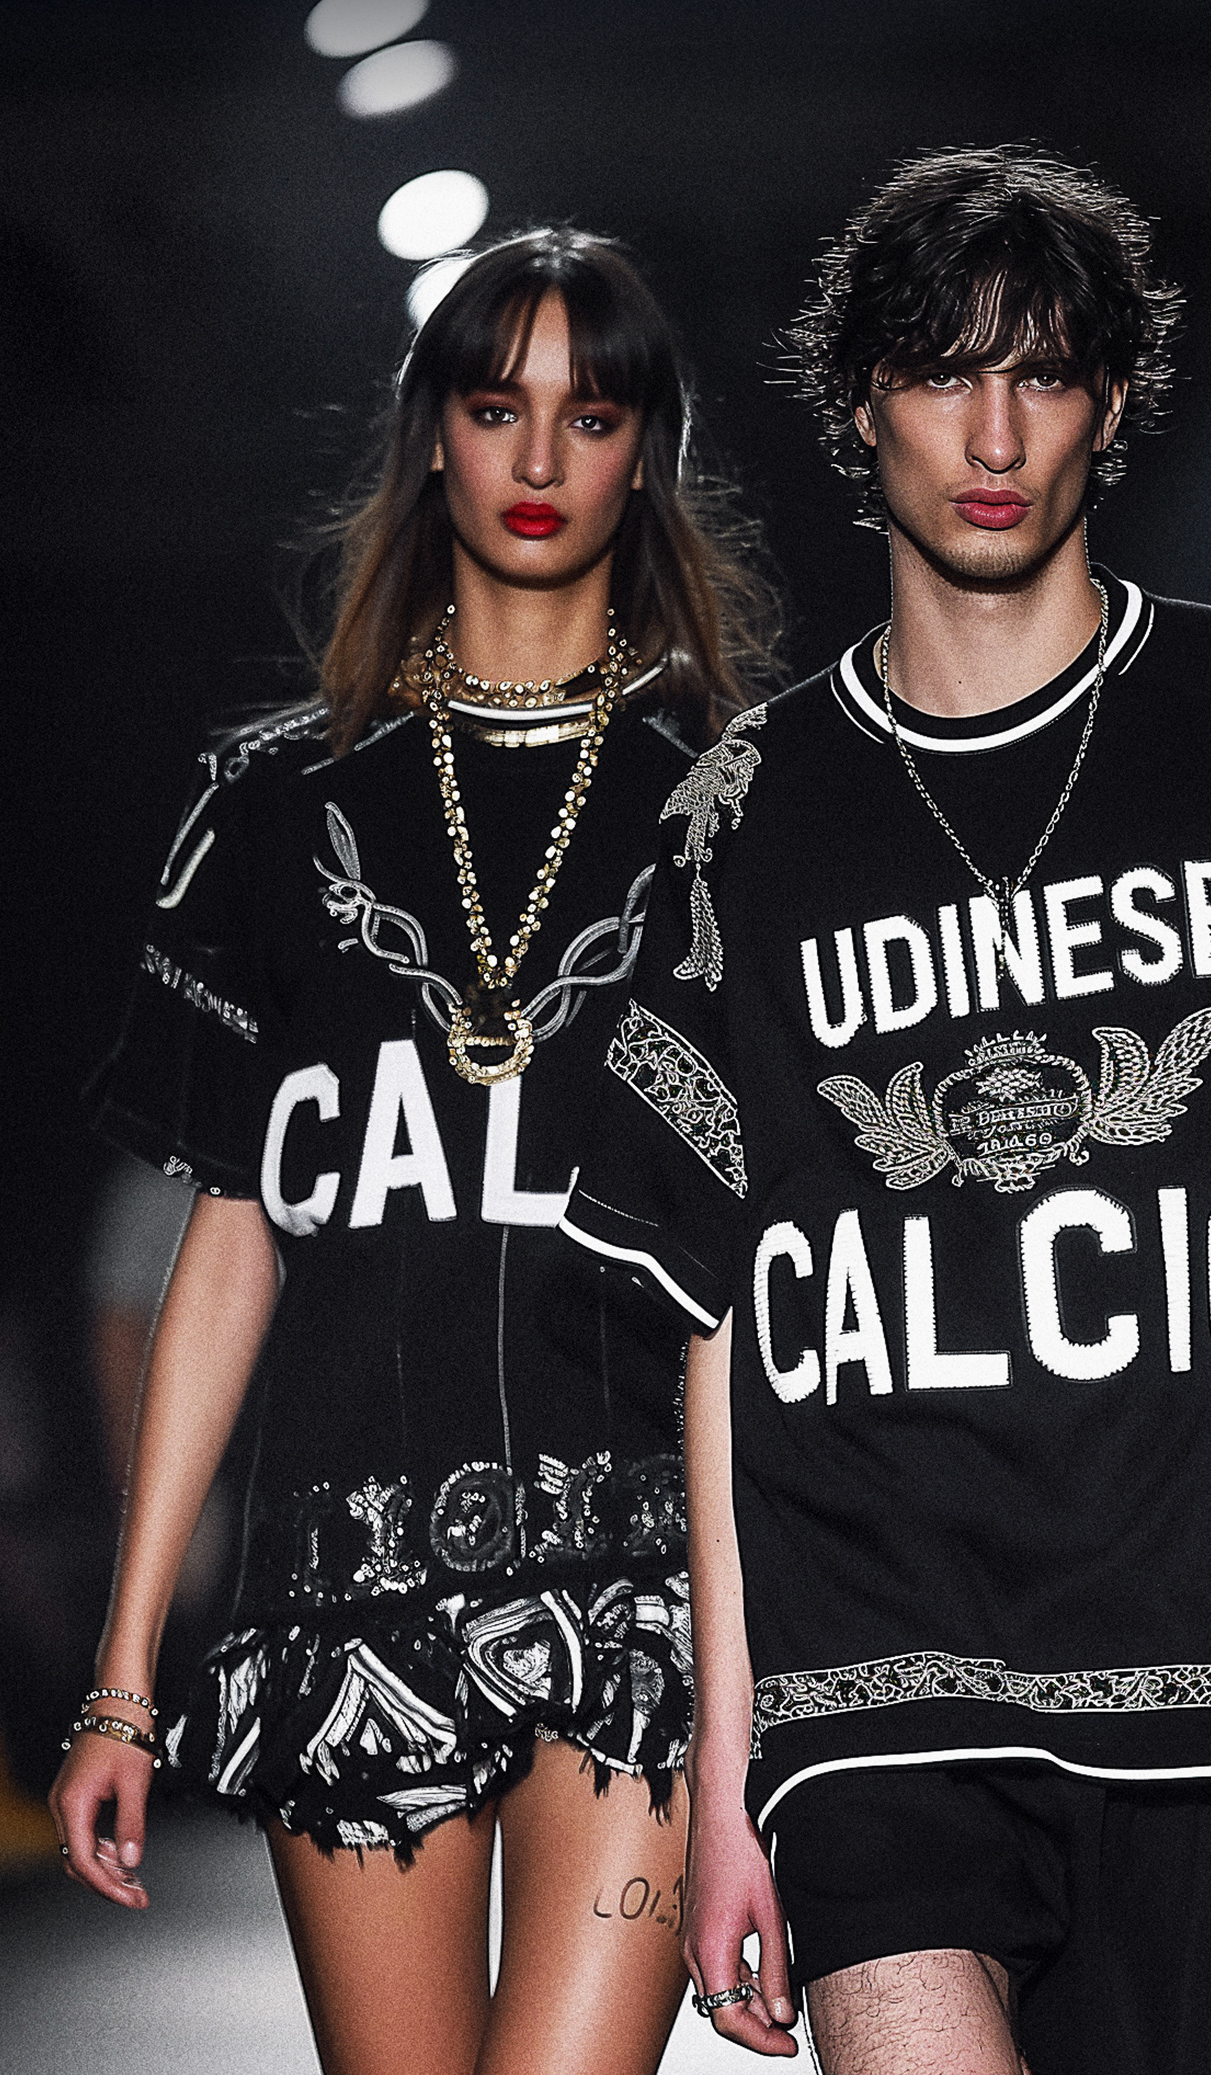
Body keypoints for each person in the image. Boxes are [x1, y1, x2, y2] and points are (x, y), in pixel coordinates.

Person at [556, 147, 1211, 2073]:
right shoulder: (743, 814)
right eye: (941, 373)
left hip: (1202, 1660)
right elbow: (726, 1314)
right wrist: (729, 1755)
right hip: (872, 1678)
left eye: (1043, 373)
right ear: (863, 407)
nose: (994, 434)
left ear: (1112, 399)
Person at [51, 227, 777, 2075]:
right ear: (429, 434)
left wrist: (766, 1686)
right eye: (494, 405)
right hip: (339, 1584)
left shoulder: (735, 807)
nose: (538, 459)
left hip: (637, 1598)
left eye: (590, 415)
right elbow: (230, 1235)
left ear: (648, 452)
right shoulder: (273, 807)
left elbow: (762, 1276)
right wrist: (125, 1673)